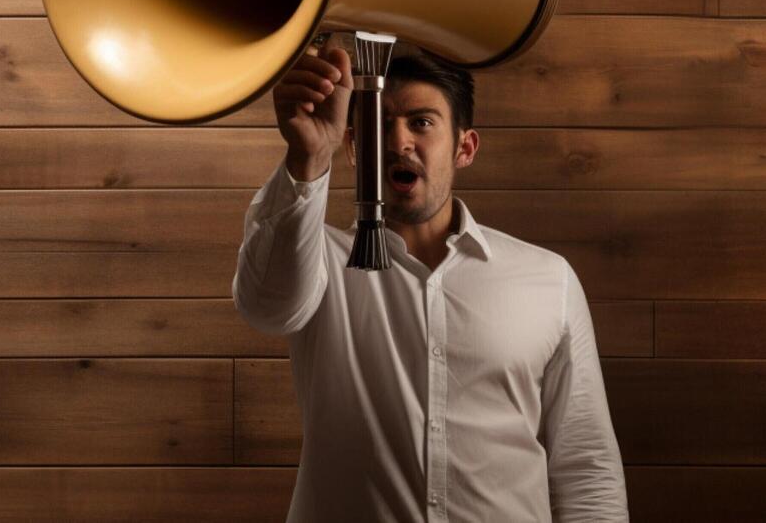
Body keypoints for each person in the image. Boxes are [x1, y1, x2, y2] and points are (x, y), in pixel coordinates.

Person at [233, 38, 628, 522]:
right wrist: (309, 155)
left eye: (421, 122)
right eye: (380, 124)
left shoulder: (549, 279)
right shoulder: (318, 262)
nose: (398, 142)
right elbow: (266, 306)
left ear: (465, 147)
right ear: (355, 147)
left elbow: (586, 466)